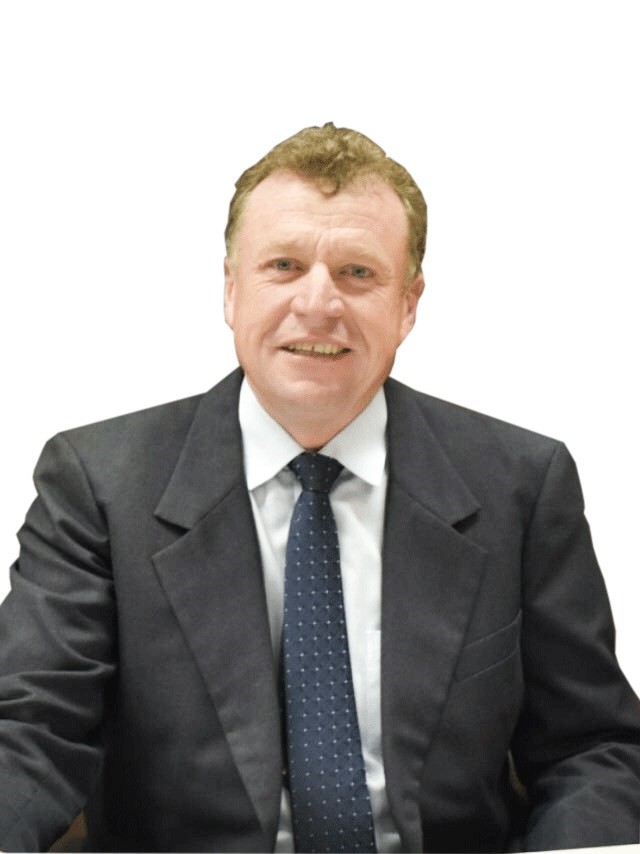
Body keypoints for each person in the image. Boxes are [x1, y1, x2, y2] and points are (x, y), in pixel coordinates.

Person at [1, 123, 639, 853]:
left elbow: (591, 747)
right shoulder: (100, 484)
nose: (318, 303)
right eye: (284, 265)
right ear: (231, 289)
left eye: (357, 273)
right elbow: (31, 730)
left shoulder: (520, 484)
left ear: (408, 302)